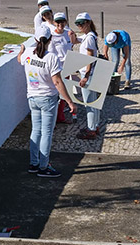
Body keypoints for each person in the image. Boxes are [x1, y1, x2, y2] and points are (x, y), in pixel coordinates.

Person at [17, 26, 77, 178]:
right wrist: (69, 101)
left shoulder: (29, 53)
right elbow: (57, 82)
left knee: (36, 130)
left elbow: (20, 60)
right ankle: (44, 167)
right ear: (50, 40)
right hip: (48, 99)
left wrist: (21, 50)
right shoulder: (52, 57)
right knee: (47, 133)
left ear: (36, 39)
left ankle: (34, 163)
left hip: (32, 97)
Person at [73, 12, 102, 140]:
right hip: (93, 73)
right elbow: (75, 40)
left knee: (89, 103)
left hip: (88, 73)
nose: (79, 26)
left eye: (82, 23)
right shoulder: (89, 36)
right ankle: (95, 126)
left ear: (88, 23)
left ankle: (91, 129)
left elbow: (90, 58)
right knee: (94, 103)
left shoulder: (89, 38)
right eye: (77, 24)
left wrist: (85, 76)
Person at [49, 12, 78, 124]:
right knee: (57, 93)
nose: (60, 24)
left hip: (68, 67)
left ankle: (60, 117)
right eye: (58, 22)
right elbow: (51, 54)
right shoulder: (51, 36)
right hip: (57, 68)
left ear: (66, 22)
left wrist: (73, 37)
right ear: (54, 23)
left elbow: (72, 45)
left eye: (62, 21)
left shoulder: (68, 33)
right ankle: (55, 118)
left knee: (64, 93)